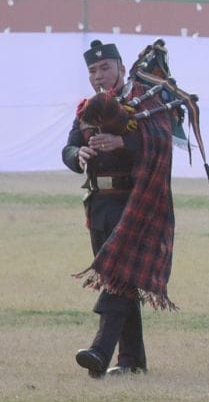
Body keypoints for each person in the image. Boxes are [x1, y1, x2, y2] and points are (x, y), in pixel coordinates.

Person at [66, 40, 175, 378]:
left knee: (117, 276)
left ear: (122, 68)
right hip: (99, 204)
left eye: (105, 68)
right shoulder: (87, 108)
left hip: (137, 202)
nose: (99, 76)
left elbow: (161, 142)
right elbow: (69, 145)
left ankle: (100, 351)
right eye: (93, 71)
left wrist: (122, 142)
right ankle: (132, 360)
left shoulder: (147, 101)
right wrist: (77, 156)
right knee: (121, 278)